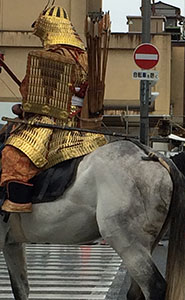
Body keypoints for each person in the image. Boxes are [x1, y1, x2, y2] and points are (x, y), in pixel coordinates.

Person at [0, 5, 107, 213]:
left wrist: (22, 109)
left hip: (55, 121)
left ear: (48, 30)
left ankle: (19, 201)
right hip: (83, 121)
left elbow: (32, 95)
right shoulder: (86, 57)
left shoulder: (51, 55)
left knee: (14, 153)